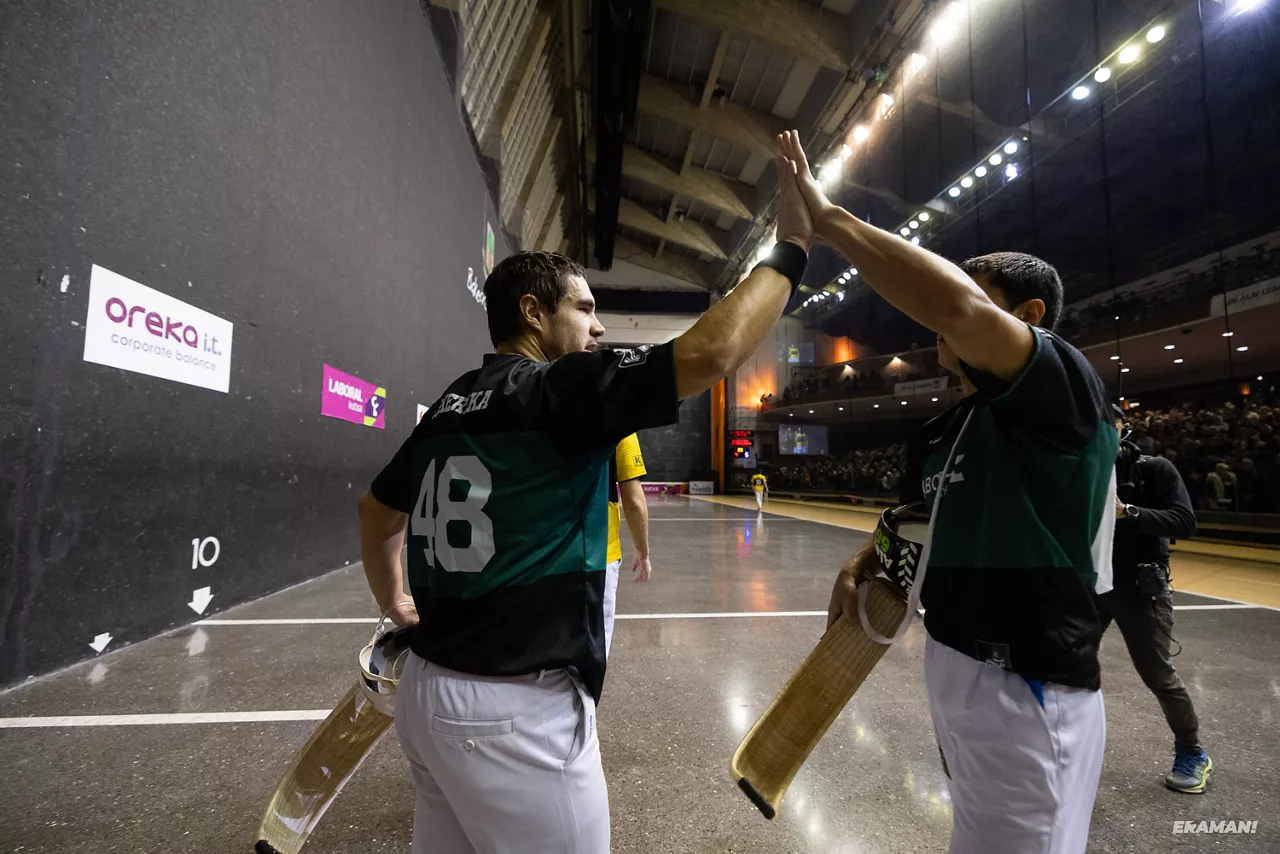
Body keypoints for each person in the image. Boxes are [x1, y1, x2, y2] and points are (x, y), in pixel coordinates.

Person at [354, 131, 815, 854]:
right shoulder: (558, 389)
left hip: (428, 696)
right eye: (585, 309)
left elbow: (376, 512)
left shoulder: (451, 403)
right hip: (513, 714)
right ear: (535, 313)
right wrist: (790, 248)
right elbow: (715, 352)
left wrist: (395, 603)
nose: (599, 326)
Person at [784, 127, 1118, 854]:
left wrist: (832, 221)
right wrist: (868, 557)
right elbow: (924, 520)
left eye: (981, 300)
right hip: (954, 663)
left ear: (1027, 318)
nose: (942, 328)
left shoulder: (1063, 384)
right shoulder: (945, 430)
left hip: (1027, 681)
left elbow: (959, 312)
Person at [1104, 408, 1210, 793]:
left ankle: (1192, 751)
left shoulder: (1155, 469)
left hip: (1138, 585)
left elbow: (1185, 521)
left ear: (1120, 428)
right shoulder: (1078, 470)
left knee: (1158, 675)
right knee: (1067, 666)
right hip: (1090, 584)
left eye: (1105, 424)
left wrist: (1129, 512)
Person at [603, 434, 651, 657]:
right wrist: (642, 550)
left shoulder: (534, 408)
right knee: (593, 648)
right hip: (597, 553)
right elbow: (633, 501)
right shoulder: (620, 424)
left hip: (538, 549)